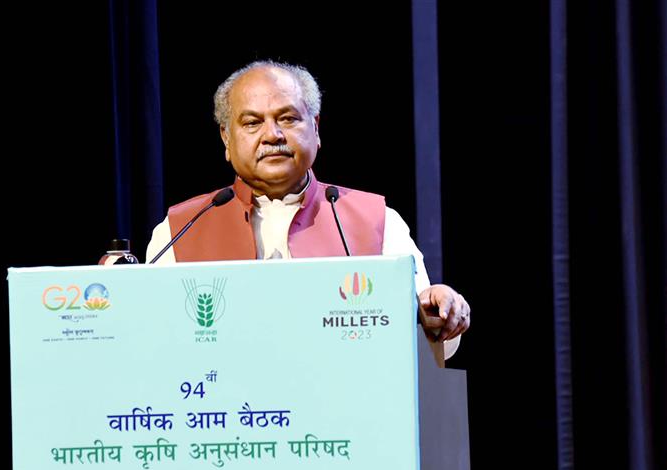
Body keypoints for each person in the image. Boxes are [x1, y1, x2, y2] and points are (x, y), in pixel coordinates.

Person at [146, 60, 470, 357]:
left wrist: (439, 309)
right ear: (226, 139)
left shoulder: (376, 220)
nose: (272, 135)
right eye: (252, 123)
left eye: (287, 118)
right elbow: (151, 341)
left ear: (315, 128)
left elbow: (427, 335)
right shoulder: (179, 229)